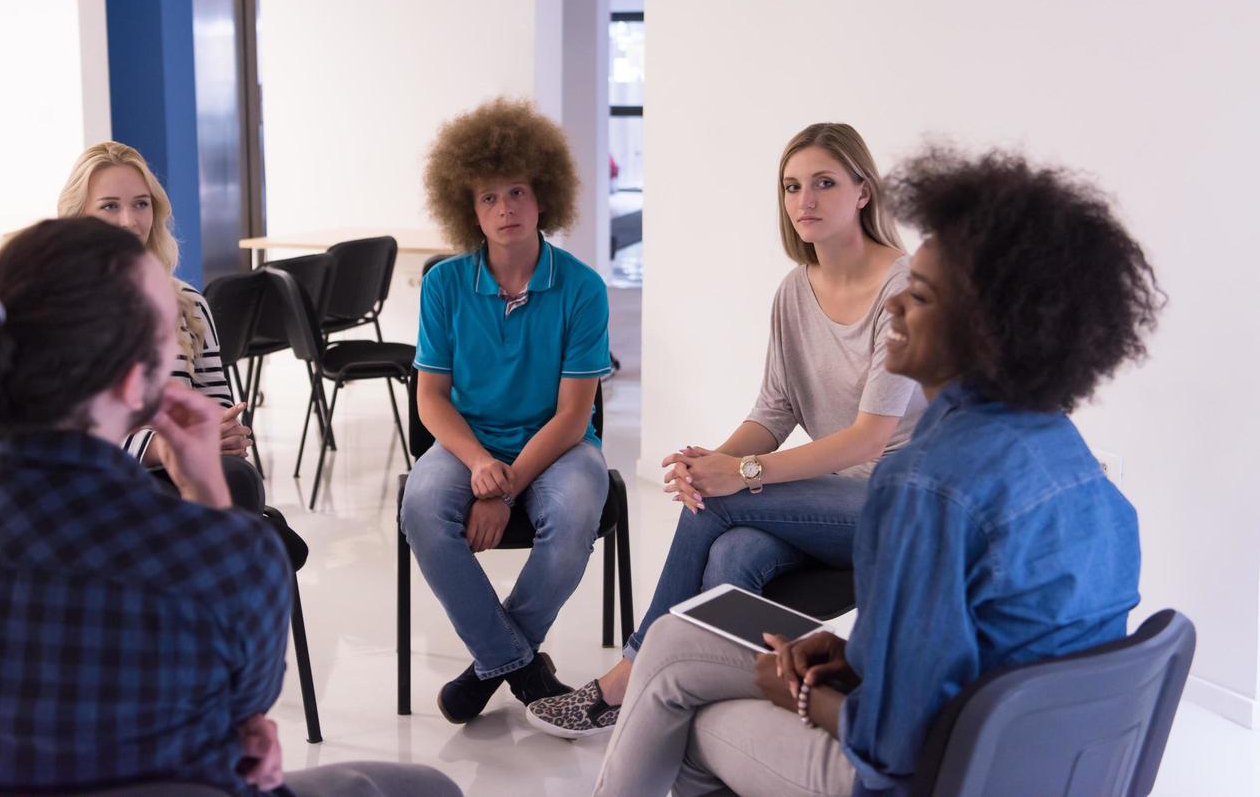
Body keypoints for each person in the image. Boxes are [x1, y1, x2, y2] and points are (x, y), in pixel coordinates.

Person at [593, 147, 1162, 796]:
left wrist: (799, 697)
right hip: (1042, 770)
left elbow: (890, 745)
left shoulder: (925, 485)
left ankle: (628, 684)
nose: (893, 309)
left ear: (984, 328)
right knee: (693, 618)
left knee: (689, 703)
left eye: (917, 296)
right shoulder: (1078, 465)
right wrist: (853, 658)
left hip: (932, 779)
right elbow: (994, 650)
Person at [0, 217, 460, 797]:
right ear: (133, 379)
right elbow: (248, 709)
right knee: (428, 787)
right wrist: (209, 494)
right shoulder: (221, 552)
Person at [530, 123, 927, 738]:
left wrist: (738, 474)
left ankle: (634, 675)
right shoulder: (795, 290)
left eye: (825, 183)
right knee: (734, 552)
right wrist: (712, 459)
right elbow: (775, 410)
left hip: (902, 501)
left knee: (715, 508)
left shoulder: (903, 288)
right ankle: (720, 713)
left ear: (863, 192)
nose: (805, 201)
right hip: (827, 501)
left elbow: (870, 439)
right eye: (793, 186)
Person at [400, 98, 613, 723]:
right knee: (420, 505)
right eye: (488, 197)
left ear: (543, 196)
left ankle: (486, 668)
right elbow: (432, 398)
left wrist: (504, 487)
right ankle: (520, 668)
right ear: (468, 209)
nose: (505, 209)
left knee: (575, 512)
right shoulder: (444, 284)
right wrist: (476, 463)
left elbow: (574, 416)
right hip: (467, 441)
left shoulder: (582, 287)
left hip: (560, 448)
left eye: (517, 192)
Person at [58, 140, 260, 511]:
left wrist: (226, 435)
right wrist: (165, 447)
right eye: (109, 206)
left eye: (141, 204)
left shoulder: (188, 305)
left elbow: (219, 411)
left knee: (237, 482)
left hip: (182, 478)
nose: (129, 221)